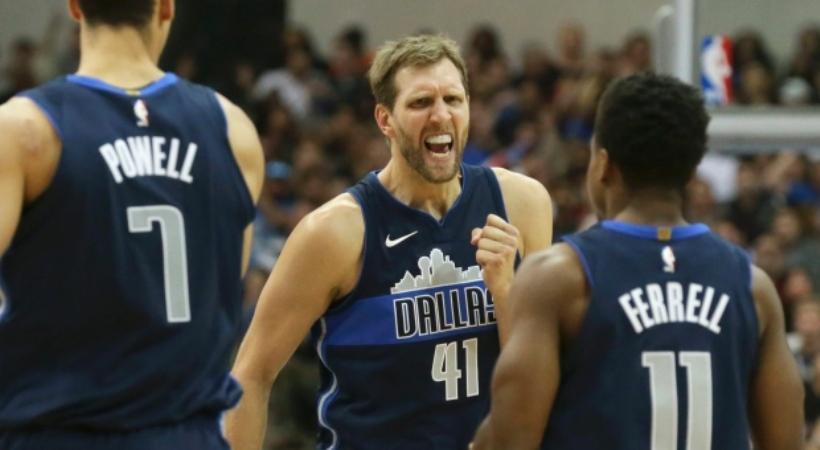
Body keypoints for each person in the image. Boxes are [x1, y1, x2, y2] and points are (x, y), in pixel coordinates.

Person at [226, 34, 553, 450]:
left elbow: (539, 380)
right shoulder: (334, 233)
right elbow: (251, 374)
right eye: (421, 103)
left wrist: (506, 292)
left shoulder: (523, 203)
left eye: (453, 99)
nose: (441, 115)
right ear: (385, 120)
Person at [471, 73, 804, 450]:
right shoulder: (753, 287)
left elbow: (509, 441)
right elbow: (787, 443)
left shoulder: (560, 277)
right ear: (691, 171)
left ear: (603, 165)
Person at [0, 0, 264, 449]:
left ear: (75, 7)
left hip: (58, 431)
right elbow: (224, 282)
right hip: (188, 434)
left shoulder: (25, 130)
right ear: (166, 8)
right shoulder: (232, 129)